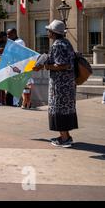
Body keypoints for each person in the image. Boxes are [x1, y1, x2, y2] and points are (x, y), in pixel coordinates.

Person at [33, 20, 78, 148]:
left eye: (49, 30)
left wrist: (45, 66)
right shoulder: (66, 42)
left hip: (60, 85)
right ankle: (66, 135)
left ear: (53, 33)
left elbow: (62, 65)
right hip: (68, 84)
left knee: (59, 110)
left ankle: (65, 139)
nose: (47, 32)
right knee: (65, 110)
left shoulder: (57, 45)